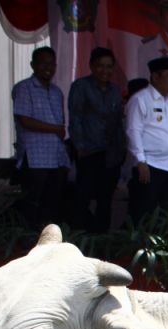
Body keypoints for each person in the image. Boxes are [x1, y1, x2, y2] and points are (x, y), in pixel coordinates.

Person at [68, 47, 124, 233]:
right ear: (91, 66)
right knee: (82, 198)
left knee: (105, 199)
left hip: (111, 154)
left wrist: (120, 151)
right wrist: (80, 148)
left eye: (109, 66)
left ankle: (101, 240)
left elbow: (118, 122)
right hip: (89, 152)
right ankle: (78, 239)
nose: (104, 71)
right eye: (100, 66)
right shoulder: (80, 86)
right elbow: (75, 119)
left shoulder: (115, 90)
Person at [12, 47, 69, 228]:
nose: (49, 68)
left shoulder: (56, 91)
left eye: (52, 64)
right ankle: (27, 242)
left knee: (52, 204)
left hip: (57, 156)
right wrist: (54, 129)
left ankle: (48, 243)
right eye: (44, 63)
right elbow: (25, 120)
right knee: (32, 202)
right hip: (35, 157)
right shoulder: (23, 88)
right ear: (33, 65)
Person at [125, 57, 168, 225]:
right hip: (150, 165)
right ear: (155, 77)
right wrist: (141, 161)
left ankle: (162, 247)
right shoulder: (141, 99)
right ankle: (141, 247)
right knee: (144, 210)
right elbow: (133, 130)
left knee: (167, 211)